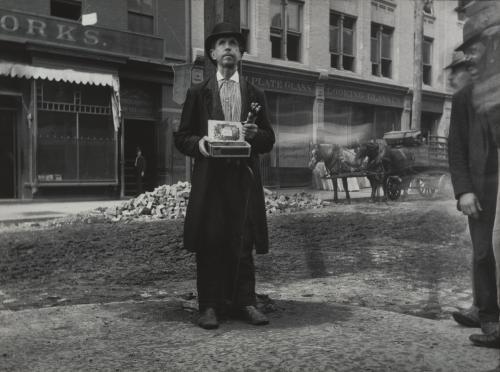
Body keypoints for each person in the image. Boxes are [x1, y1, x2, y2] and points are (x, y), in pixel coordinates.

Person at [174, 22, 275, 330]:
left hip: (244, 179)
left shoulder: (255, 92)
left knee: (242, 239)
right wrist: (200, 144)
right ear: (212, 53)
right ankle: (208, 306)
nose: (229, 47)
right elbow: (182, 137)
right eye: (222, 43)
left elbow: (269, 139)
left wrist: (256, 134)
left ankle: (246, 302)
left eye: (234, 43)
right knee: (210, 239)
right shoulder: (198, 93)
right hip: (211, 181)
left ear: (241, 53)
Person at [448, 26, 500, 338]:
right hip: (483, 186)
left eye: (475, 50)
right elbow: (457, 147)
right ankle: (490, 320)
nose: (469, 57)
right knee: (482, 251)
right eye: (467, 52)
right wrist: (464, 189)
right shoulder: (464, 97)